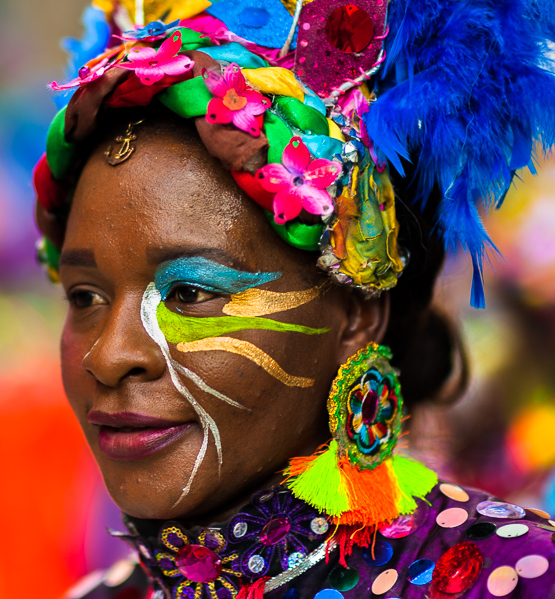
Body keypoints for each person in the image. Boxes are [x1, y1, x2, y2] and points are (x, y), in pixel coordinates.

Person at [34, 1, 555, 597]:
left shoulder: (514, 579)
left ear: (357, 312)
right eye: (84, 297)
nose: (108, 355)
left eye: (190, 291)